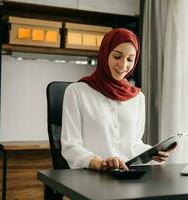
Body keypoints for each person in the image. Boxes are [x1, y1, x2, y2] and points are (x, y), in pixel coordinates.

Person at [61, 28, 176, 171]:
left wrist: (152, 153)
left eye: (130, 59)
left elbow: (133, 144)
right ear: (105, 54)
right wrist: (98, 163)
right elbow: (70, 146)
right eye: (117, 56)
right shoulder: (77, 92)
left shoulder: (138, 98)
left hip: (128, 176)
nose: (123, 65)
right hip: (91, 176)